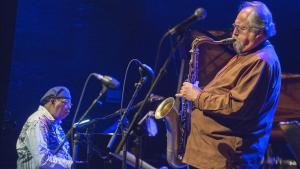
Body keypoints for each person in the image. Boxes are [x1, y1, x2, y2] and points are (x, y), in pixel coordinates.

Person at [175, 1, 281, 169]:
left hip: (225, 158)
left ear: (260, 34)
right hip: (209, 154)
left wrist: (197, 96)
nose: (235, 33)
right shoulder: (248, 53)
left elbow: (236, 106)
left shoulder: (261, 61)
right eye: (235, 26)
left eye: (242, 29)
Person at [16, 86, 73, 169]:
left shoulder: (56, 125)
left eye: (70, 104)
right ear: (52, 101)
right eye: (66, 102)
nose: (69, 107)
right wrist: (71, 165)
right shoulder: (38, 121)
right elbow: (42, 160)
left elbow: (64, 156)